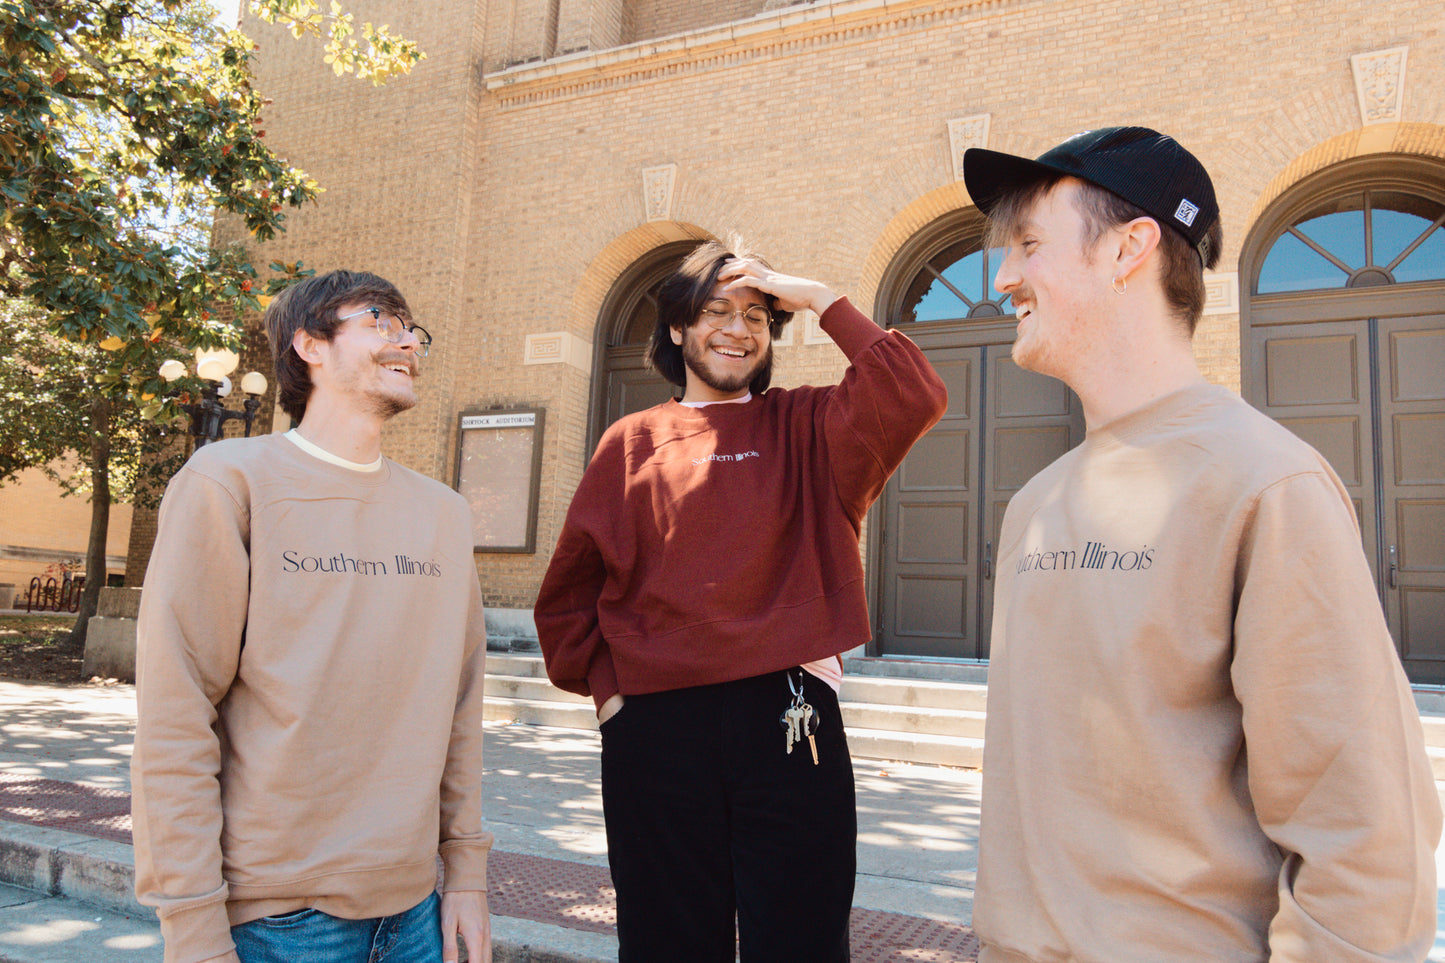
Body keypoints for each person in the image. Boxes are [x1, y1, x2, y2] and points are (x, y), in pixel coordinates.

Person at [961, 126, 1441, 962]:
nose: (1003, 277)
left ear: (1128, 248)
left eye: (1029, 245)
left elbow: (1363, 839)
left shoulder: (1266, 484)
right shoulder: (1034, 504)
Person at [534, 240, 947, 962]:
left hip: (789, 715)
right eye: (715, 311)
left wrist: (818, 295)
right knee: (666, 939)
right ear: (675, 330)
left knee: (801, 937)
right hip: (655, 724)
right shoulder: (629, 443)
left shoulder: (809, 427)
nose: (737, 328)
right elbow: (571, 591)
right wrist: (610, 696)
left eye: (756, 315)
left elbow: (914, 391)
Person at [132, 270, 493, 963]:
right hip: (275, 920)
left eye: (412, 328)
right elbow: (176, 718)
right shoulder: (228, 481)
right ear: (309, 344)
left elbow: (461, 707)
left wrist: (467, 877)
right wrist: (193, 930)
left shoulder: (442, 513)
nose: (407, 340)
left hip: (417, 912)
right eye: (380, 319)